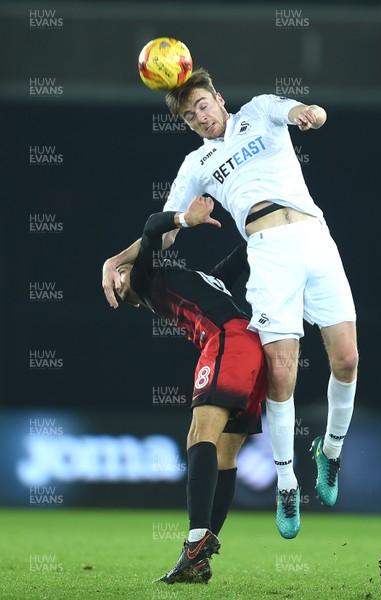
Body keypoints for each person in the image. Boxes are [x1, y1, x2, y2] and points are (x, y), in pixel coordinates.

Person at [103, 68, 359, 538]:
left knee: (346, 359)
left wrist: (312, 114)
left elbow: (303, 110)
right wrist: (118, 259)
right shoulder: (196, 165)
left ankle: (331, 452)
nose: (198, 117)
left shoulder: (260, 111)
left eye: (201, 106)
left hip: (314, 237)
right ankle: (286, 484)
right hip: (267, 250)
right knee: (281, 372)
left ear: (219, 99)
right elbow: (164, 230)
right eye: (188, 116)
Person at [103, 196, 267, 583]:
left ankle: (195, 541)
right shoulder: (179, 283)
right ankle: (199, 557)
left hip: (228, 340)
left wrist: (183, 219)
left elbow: (151, 227)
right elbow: (237, 262)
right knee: (225, 456)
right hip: (253, 349)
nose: (121, 278)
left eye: (122, 273)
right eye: (118, 278)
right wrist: (261, 233)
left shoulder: (146, 277)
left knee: (199, 434)